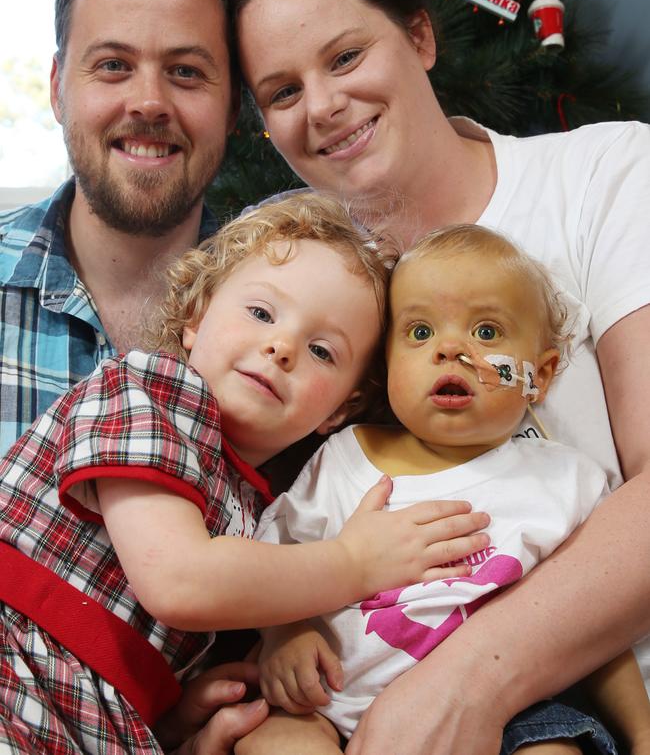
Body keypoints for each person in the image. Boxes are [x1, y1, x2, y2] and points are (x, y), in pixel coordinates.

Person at [227, 0, 650, 752]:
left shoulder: (608, 175)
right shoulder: (288, 273)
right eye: (281, 91)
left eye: (346, 55)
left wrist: (468, 685)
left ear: (419, 38)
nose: (323, 106)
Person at [0, 192, 491, 754]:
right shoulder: (143, 390)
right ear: (195, 315)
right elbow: (180, 580)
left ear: (340, 410)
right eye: (261, 313)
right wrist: (355, 562)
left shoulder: (259, 511)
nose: (281, 347)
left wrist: (174, 718)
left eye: (322, 351)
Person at [238, 225, 650, 755]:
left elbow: (598, 625)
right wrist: (285, 634)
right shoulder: (347, 457)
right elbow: (273, 563)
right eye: (419, 333)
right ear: (386, 366)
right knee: (270, 742)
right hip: (330, 696)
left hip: (513, 716)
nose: (449, 349)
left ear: (540, 376)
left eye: (484, 332)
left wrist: (641, 731)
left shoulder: (567, 482)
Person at [0, 0, 237, 458]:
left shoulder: (295, 318)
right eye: (113, 65)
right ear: (58, 90)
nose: (149, 101)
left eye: (185, 72)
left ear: (232, 109)